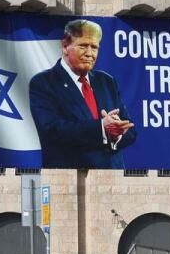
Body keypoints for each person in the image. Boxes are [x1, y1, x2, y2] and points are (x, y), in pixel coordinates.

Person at [29, 19, 136, 168]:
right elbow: (52, 131)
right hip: (70, 176)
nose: (90, 53)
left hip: (112, 175)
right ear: (65, 47)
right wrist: (102, 128)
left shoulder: (106, 81)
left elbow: (131, 131)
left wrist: (116, 132)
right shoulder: (43, 82)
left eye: (94, 47)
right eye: (83, 46)